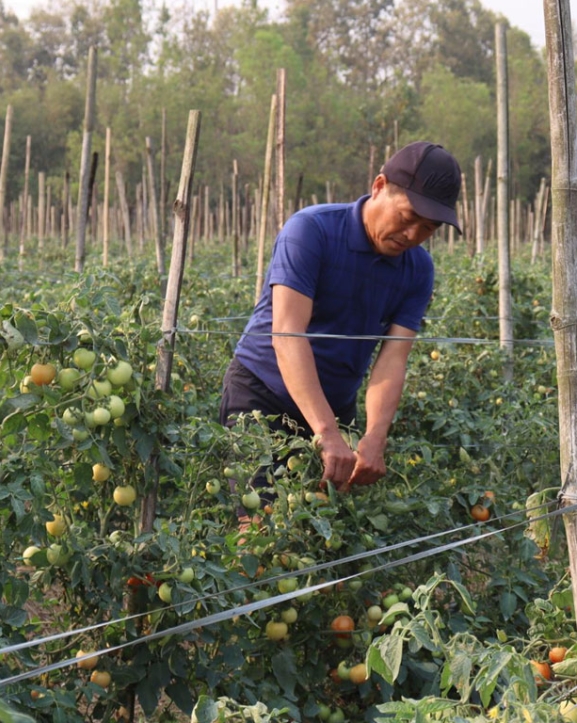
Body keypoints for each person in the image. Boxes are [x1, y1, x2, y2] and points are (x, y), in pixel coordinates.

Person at [220, 140, 461, 500]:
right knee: (258, 529)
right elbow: (287, 336)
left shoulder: (418, 269)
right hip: (262, 398)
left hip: (335, 408)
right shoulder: (312, 231)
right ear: (379, 186)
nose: (413, 235)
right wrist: (327, 434)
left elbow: (392, 359)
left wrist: (375, 437)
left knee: (321, 536)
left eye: (428, 229)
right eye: (408, 217)